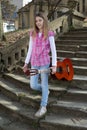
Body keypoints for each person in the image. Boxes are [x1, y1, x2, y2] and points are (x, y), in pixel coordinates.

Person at [23, 12, 57, 118]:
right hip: (34, 63)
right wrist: (26, 63)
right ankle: (45, 91)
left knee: (44, 83)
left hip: (44, 63)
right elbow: (30, 49)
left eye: (40, 20)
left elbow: (53, 50)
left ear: (44, 21)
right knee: (33, 85)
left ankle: (43, 107)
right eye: (36, 21)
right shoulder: (32, 33)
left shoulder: (49, 33)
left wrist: (54, 65)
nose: (38, 23)